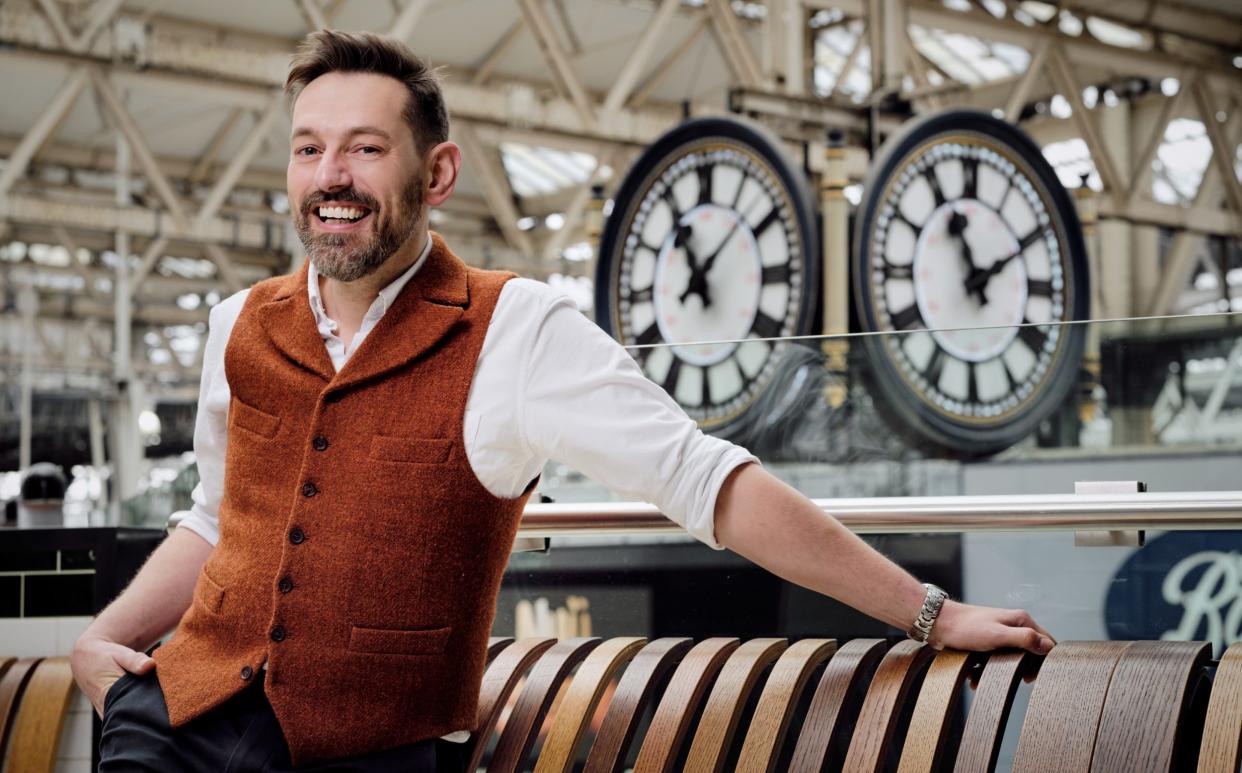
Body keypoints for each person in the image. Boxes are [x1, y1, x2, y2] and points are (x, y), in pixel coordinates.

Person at [71, 29, 1055, 772]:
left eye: (366, 149)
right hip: (174, 728)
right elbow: (216, 515)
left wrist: (930, 613)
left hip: (374, 751)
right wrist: (102, 638)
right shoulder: (238, 322)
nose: (331, 177)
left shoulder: (517, 329)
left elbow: (708, 481)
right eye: (309, 149)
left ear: (437, 171)